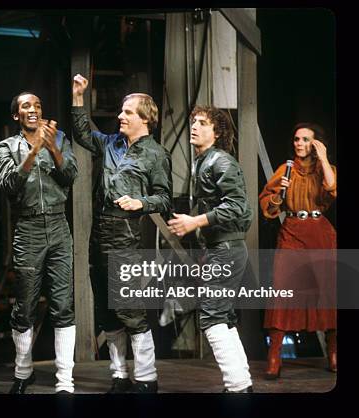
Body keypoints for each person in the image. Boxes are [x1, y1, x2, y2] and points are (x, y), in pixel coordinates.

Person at [71, 74, 172, 393]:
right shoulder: (111, 143)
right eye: (122, 111)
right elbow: (83, 133)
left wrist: (140, 202)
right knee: (105, 307)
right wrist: (77, 98)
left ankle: (146, 377)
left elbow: (165, 197)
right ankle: (118, 375)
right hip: (99, 231)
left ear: (144, 119)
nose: (120, 116)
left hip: (125, 235)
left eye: (127, 112)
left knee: (129, 306)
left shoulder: (156, 154)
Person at [0, 92, 78, 394]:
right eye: (26, 107)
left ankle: (65, 381)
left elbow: (71, 176)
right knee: (25, 304)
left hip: (58, 225)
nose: (33, 110)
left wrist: (52, 146)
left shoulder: (60, 138)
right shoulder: (7, 147)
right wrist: (33, 152)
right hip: (28, 227)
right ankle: (22, 371)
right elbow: (8, 185)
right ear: (17, 115)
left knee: (63, 304)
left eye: (38, 105)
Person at [167, 106, 253, 393]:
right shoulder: (203, 161)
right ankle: (241, 384)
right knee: (223, 316)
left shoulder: (221, 162)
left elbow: (238, 206)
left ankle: (238, 387)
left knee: (212, 315)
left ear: (216, 133)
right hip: (220, 247)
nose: (194, 126)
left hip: (227, 248)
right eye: (193, 122)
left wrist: (195, 222)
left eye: (202, 123)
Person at [259, 123, 337, 378]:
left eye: (305, 140)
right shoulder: (286, 169)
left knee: (328, 291)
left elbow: (332, 187)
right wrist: (278, 197)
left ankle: (334, 353)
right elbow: (268, 207)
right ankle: (274, 358)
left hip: (320, 232)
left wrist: (324, 157)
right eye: (296, 139)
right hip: (291, 231)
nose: (299, 143)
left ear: (315, 144)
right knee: (282, 291)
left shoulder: (324, 168)